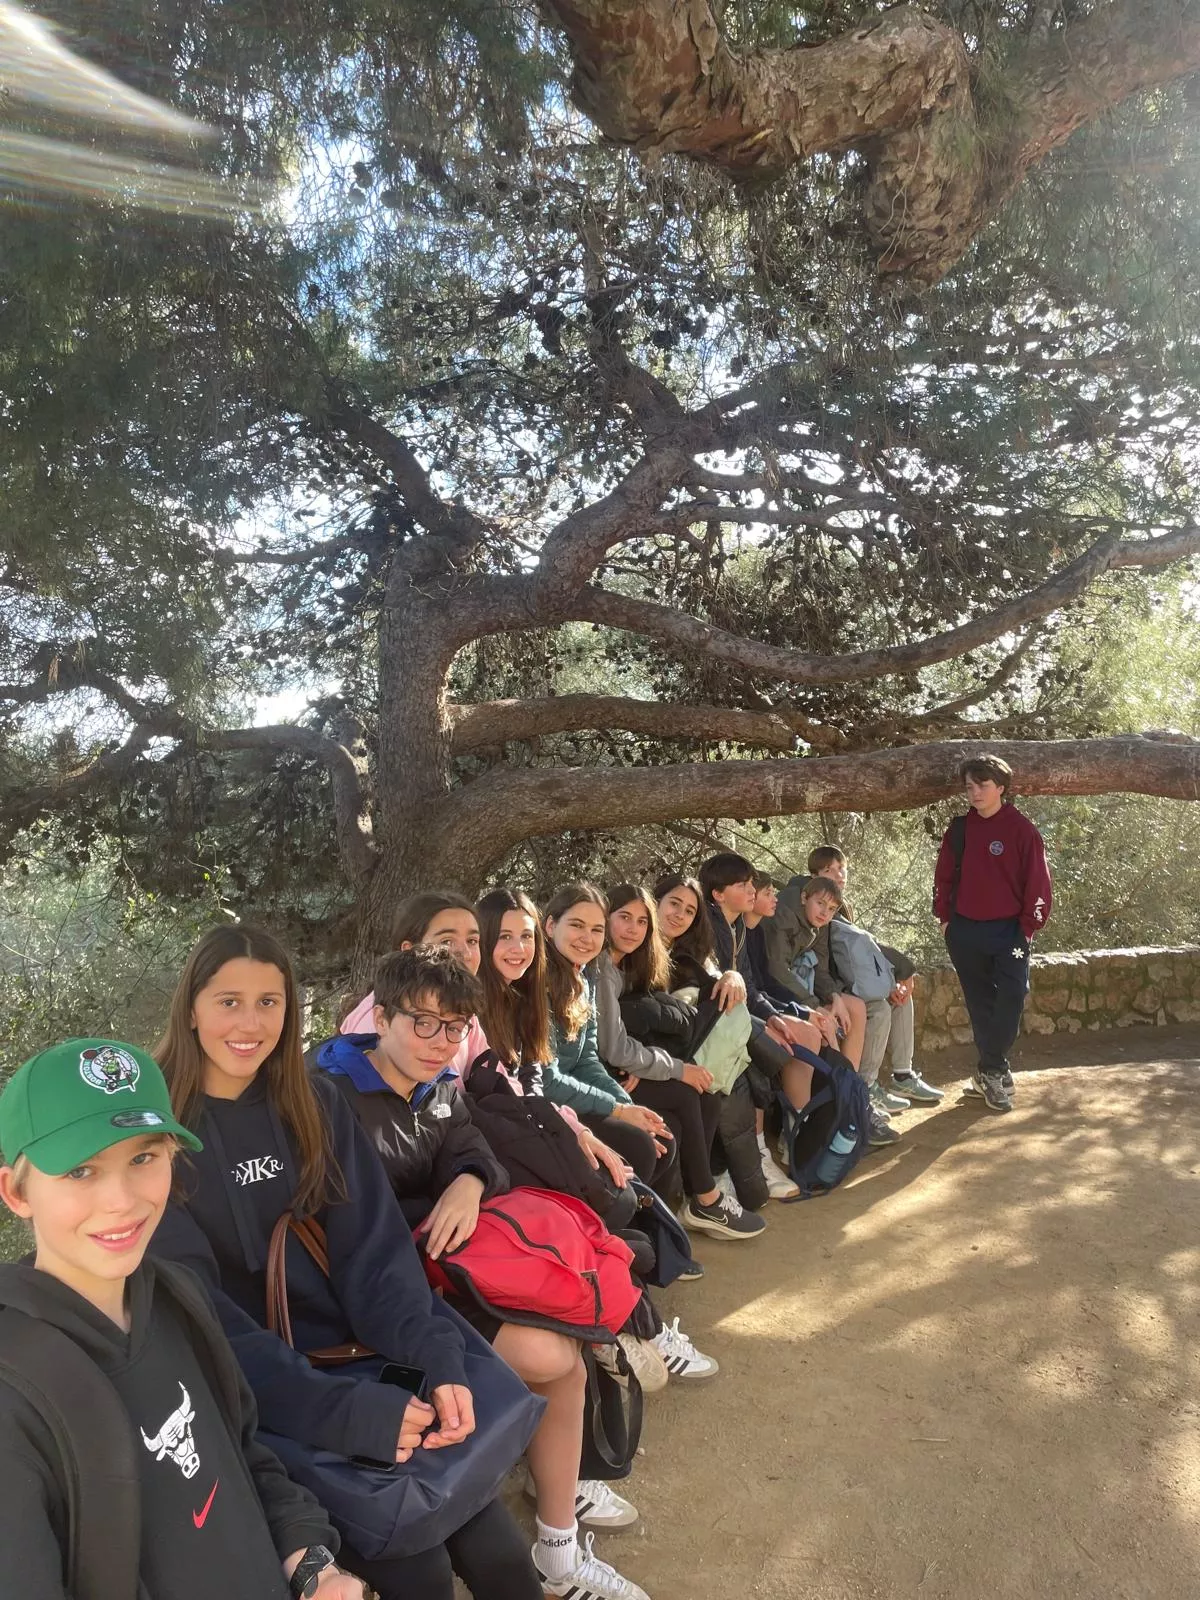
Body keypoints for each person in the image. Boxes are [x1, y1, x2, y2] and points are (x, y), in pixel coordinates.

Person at [150, 923, 545, 1600]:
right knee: (420, 1574)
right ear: (191, 1008)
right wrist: (347, 1414)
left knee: (502, 1557)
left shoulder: (313, 1104)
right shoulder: (158, 1138)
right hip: (267, 1408)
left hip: (363, 1366)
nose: (250, 1024)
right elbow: (206, 1324)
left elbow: (377, 1259)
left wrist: (436, 1361)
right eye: (229, 1002)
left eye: (269, 1002)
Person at [319, 944, 652, 1600]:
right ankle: (554, 1536)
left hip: (447, 1269)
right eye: (422, 1022)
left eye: (454, 1028)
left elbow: (476, 1151)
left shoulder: (438, 1089)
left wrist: (469, 1181)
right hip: (375, 1296)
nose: (440, 1042)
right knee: (554, 1358)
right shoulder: (330, 1094)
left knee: (568, 1351)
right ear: (380, 1018)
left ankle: (558, 1544)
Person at [0, 1036, 366, 1600]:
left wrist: (310, 1563)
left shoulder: (179, 1297)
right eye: (80, 1171)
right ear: (16, 1192)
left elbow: (245, 1457)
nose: (122, 1200)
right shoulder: (15, 1391)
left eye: (143, 1158)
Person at [597, 882, 772, 1229]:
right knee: (688, 1093)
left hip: (633, 1062)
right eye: (625, 918)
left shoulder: (639, 961)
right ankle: (705, 1198)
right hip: (614, 1071)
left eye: (641, 921)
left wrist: (731, 975)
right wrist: (672, 1069)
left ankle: (692, 1202)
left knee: (705, 1094)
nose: (633, 928)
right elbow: (612, 1044)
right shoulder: (605, 968)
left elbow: (629, 1034)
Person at [933, 755, 1053, 1113]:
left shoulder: (1022, 830)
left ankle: (991, 1067)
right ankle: (993, 1071)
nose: (975, 793)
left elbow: (1039, 883)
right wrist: (945, 921)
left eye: (982, 785)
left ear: (1001, 787)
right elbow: (943, 877)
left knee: (1013, 994)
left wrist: (1028, 928)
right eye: (969, 786)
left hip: (1010, 932)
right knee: (979, 1001)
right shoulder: (959, 830)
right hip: (965, 930)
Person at [805, 850, 944, 1114]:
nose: (838, 875)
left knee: (900, 997)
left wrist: (900, 974)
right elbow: (824, 964)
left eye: (841, 868)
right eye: (828, 870)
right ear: (814, 878)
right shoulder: (817, 906)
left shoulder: (841, 906)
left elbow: (868, 948)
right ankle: (866, 1087)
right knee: (878, 1009)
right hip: (828, 989)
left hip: (848, 984)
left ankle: (903, 1076)